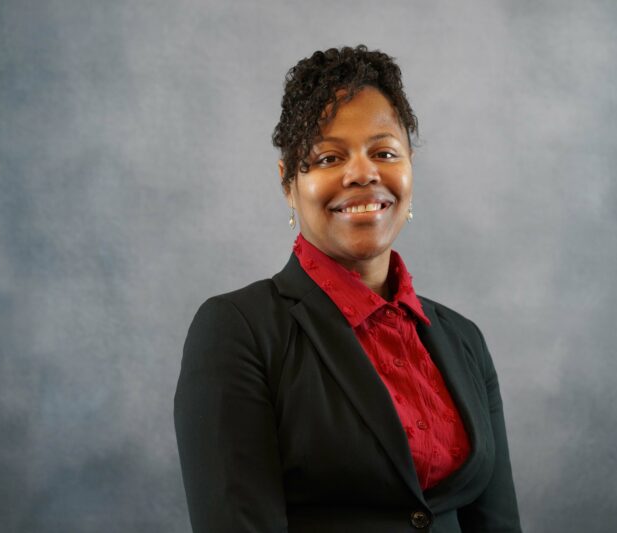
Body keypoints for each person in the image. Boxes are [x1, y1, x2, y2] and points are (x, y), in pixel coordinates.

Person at [174, 45, 521, 532]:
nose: (363, 173)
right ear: (288, 183)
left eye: (384, 152)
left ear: (409, 169)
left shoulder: (464, 340)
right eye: (329, 157)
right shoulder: (239, 332)